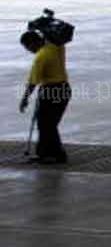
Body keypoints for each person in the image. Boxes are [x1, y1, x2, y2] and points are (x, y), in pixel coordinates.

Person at [18, 31, 70, 164]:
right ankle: (45, 153)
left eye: (27, 47)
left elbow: (33, 82)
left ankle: (57, 155)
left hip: (51, 91)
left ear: (33, 43)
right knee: (48, 123)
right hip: (64, 89)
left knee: (46, 124)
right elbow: (57, 39)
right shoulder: (56, 47)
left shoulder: (41, 56)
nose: (29, 50)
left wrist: (24, 99)